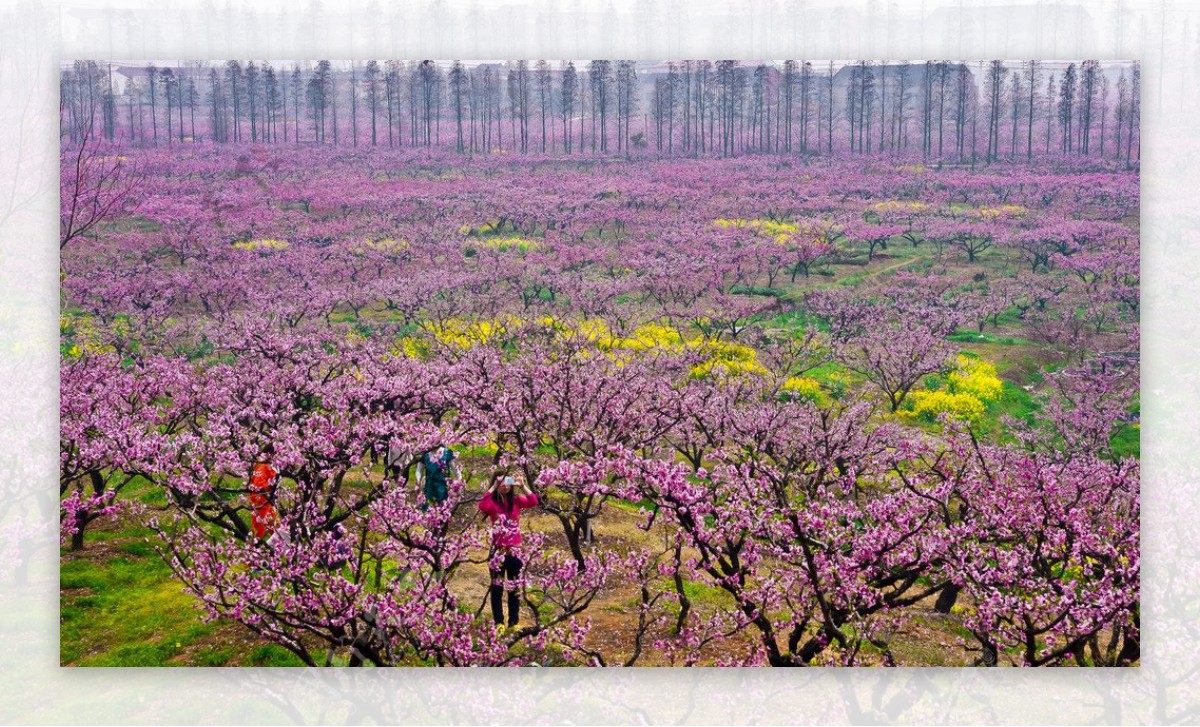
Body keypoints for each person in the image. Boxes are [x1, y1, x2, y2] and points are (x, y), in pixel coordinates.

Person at [477, 474, 538, 628]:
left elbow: (533, 501)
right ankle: (499, 622)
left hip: (515, 551)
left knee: (514, 588)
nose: (504, 486)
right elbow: (482, 506)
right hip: (497, 551)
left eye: (507, 483)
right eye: (501, 483)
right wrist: (492, 486)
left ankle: (514, 621)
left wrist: (522, 485)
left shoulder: (516, 501)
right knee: (497, 589)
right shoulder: (492, 503)